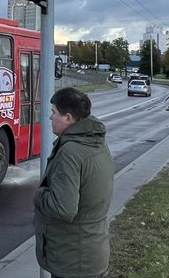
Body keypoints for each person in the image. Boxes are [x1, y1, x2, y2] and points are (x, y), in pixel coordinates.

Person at [33, 87, 114, 278]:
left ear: (68, 118)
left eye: (54, 112)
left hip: (72, 259)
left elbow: (63, 209)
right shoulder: (96, 143)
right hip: (92, 252)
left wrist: (39, 194)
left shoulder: (70, 153)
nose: (50, 117)